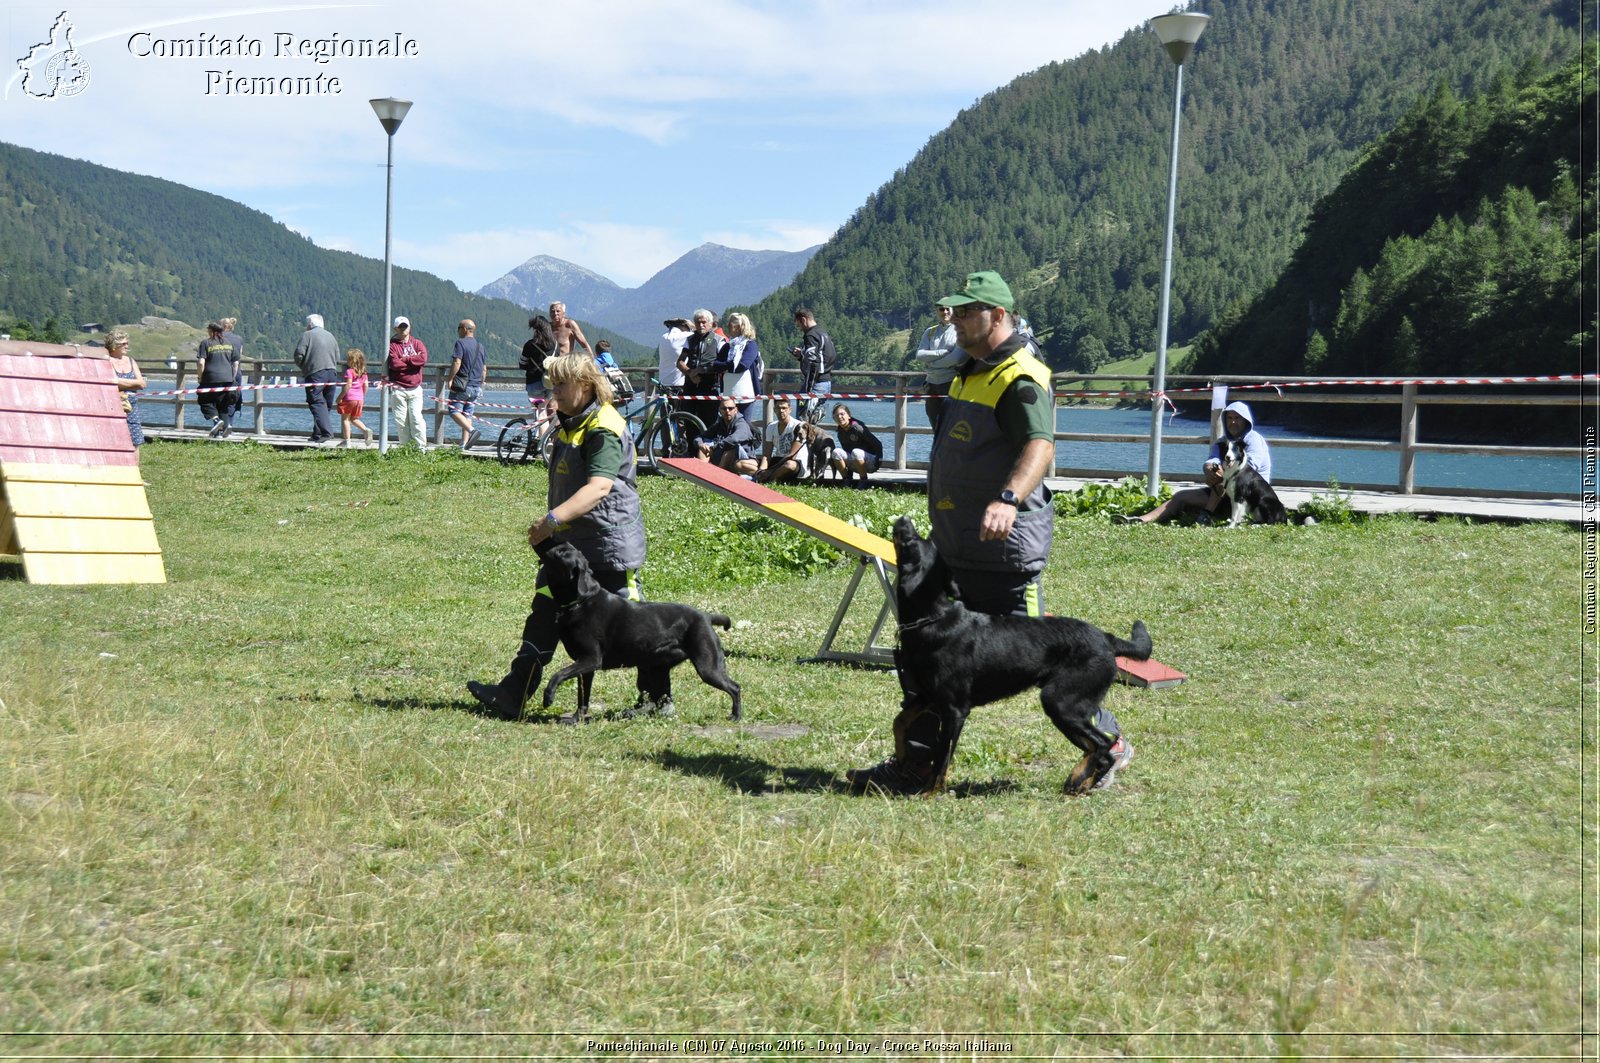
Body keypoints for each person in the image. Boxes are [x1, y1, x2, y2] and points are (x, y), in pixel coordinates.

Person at [847, 270, 1132, 795]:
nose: (952, 319)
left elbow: (1039, 447)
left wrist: (1008, 497)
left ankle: (1106, 744)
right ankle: (918, 769)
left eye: (965, 311)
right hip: (956, 545)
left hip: (1002, 550)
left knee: (1029, 661)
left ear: (997, 315)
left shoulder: (1020, 376)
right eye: (953, 311)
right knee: (925, 661)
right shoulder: (970, 369)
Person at [467, 353, 659, 722]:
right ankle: (514, 692)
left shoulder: (603, 426)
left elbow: (600, 487)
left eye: (560, 384)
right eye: (551, 383)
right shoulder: (571, 421)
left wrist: (552, 520)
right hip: (571, 546)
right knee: (544, 610)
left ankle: (656, 698)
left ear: (585, 385)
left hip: (608, 544)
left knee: (636, 624)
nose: (552, 391)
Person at [1134, 401, 1272, 524]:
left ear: (1246, 420)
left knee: (1224, 476)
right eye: (1229, 418)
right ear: (1224, 420)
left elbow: (1250, 468)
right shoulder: (1221, 443)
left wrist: (1221, 474)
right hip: (1225, 494)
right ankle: (1141, 520)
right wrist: (1209, 468)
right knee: (1180, 496)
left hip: (1251, 496)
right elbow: (1213, 460)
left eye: (1237, 418)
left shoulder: (1254, 440)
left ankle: (1207, 514)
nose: (1233, 422)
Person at [293, 313, 341, 444]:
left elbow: (299, 354)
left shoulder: (307, 335)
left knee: (316, 402)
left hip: (315, 373)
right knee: (326, 404)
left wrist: (304, 367)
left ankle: (326, 432)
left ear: (310, 324)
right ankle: (317, 433)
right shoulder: (331, 336)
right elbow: (337, 357)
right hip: (332, 372)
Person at [913, 304, 963, 422]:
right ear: (937, 311)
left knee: (952, 423)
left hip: (952, 383)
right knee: (934, 421)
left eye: (947, 309)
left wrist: (931, 364)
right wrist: (943, 352)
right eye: (941, 309)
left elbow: (956, 358)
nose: (944, 312)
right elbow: (919, 355)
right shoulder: (930, 332)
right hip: (931, 384)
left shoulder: (962, 330)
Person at [443, 318, 487, 450]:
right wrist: (481, 383)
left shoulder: (460, 343)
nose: (457, 331)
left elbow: (457, 362)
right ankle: (465, 444)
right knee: (467, 413)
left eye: (458, 328)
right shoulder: (481, 346)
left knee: (453, 410)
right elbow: (484, 368)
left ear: (464, 329)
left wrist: (450, 378)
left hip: (462, 385)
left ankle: (472, 430)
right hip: (476, 386)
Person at [386, 316, 429, 448]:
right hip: (398, 389)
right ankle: (406, 448)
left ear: (410, 327)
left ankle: (421, 448)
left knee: (417, 419)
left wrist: (405, 360)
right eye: (400, 326)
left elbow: (423, 359)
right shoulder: (391, 345)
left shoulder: (417, 343)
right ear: (395, 328)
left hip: (415, 388)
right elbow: (394, 364)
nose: (403, 329)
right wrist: (413, 363)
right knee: (401, 422)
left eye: (405, 326)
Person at [677, 309, 723, 428]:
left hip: (710, 386)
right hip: (690, 386)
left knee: (710, 423)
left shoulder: (718, 340)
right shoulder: (690, 339)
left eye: (704, 322)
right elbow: (680, 361)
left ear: (711, 323)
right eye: (698, 322)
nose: (701, 325)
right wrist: (690, 373)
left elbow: (722, 364)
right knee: (689, 422)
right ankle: (691, 446)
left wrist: (702, 370)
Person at [196, 321, 241, 437]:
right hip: (227, 378)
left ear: (212, 331)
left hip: (210, 378)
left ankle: (216, 420)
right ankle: (224, 428)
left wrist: (200, 377)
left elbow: (201, 362)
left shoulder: (206, 343)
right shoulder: (229, 343)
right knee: (223, 405)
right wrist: (233, 377)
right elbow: (236, 363)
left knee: (204, 400)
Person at [717, 312, 763, 425]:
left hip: (745, 393)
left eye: (730, 324)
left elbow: (743, 365)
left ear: (738, 327)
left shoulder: (750, 345)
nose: (727, 326)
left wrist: (726, 366)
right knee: (728, 425)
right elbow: (716, 365)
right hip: (728, 392)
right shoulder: (727, 346)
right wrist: (730, 365)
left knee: (744, 426)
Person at [789, 308, 835, 422]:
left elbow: (813, 361)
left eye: (799, 325)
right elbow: (830, 355)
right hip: (826, 382)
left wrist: (809, 387)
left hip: (815, 384)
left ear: (804, 320)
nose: (800, 329)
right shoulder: (822, 333)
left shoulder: (810, 335)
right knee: (809, 421)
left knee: (803, 422)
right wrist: (802, 355)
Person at [749, 396, 808, 484]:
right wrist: (761, 470)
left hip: (795, 463)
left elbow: (792, 455)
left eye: (784, 408)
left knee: (789, 465)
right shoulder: (771, 427)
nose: (781, 411)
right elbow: (767, 454)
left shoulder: (800, 426)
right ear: (774, 409)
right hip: (778, 460)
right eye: (778, 408)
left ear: (790, 409)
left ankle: (769, 479)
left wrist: (769, 471)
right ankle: (763, 476)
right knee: (744, 463)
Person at [829, 403, 884, 488]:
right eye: (836, 416)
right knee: (836, 452)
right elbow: (847, 452)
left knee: (856, 452)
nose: (839, 417)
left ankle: (864, 480)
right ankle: (846, 480)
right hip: (856, 461)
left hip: (871, 462)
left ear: (849, 416)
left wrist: (878, 461)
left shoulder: (858, 428)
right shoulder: (840, 433)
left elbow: (878, 444)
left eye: (842, 414)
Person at [106, 329, 145, 447]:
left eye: (127, 343)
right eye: (124, 344)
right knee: (115, 440)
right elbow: (110, 382)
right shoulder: (107, 361)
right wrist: (133, 383)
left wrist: (118, 381)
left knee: (135, 441)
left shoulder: (131, 361)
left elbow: (142, 384)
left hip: (131, 407)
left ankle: (135, 466)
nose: (127, 346)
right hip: (114, 406)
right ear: (114, 345)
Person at [696, 396, 757, 471]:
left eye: (730, 408)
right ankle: (702, 474)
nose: (727, 411)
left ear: (736, 410)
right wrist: (701, 444)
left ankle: (718, 475)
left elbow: (734, 439)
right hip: (721, 453)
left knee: (730, 449)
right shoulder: (719, 424)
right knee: (703, 449)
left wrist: (715, 447)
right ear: (720, 410)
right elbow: (700, 437)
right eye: (724, 408)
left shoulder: (741, 424)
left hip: (744, 459)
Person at [522, 315, 557, 427]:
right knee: (544, 412)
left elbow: (522, 364)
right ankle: (543, 440)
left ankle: (541, 442)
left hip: (534, 383)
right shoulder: (555, 345)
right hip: (550, 383)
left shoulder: (529, 345)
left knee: (539, 414)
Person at [337, 348, 373, 447]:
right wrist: (362, 396)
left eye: (348, 359)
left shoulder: (349, 371)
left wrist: (340, 397)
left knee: (345, 419)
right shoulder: (364, 373)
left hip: (349, 398)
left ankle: (347, 441)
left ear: (353, 361)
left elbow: (348, 385)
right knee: (354, 418)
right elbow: (366, 385)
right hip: (359, 398)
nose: (347, 361)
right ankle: (365, 430)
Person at [656, 318, 690, 396]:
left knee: (666, 407)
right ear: (684, 325)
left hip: (664, 383)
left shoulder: (664, 337)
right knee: (682, 408)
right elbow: (702, 333)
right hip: (679, 383)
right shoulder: (684, 336)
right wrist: (692, 326)